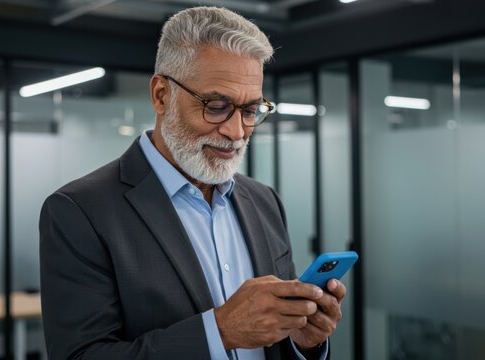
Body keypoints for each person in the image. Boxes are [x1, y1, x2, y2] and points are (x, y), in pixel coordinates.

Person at [39, 6, 346, 360]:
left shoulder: (265, 202)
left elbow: (276, 343)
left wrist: (303, 341)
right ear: (161, 95)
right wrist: (220, 332)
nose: (236, 132)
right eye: (216, 106)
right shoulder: (80, 211)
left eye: (251, 111)